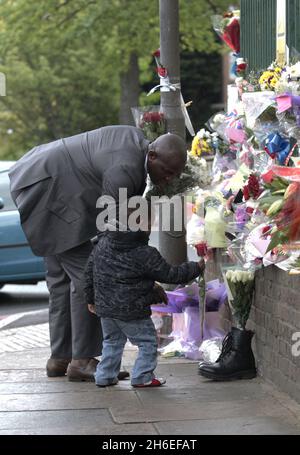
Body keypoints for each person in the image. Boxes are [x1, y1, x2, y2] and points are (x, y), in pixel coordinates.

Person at [8, 125, 187, 381]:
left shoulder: (137, 148)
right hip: (47, 189)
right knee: (93, 278)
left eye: (175, 176)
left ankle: (61, 357)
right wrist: (144, 279)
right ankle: (81, 360)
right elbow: (114, 236)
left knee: (62, 280)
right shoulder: (125, 169)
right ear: (153, 156)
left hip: (42, 177)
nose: (169, 179)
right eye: (167, 172)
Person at [84, 201, 205, 388]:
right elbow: (170, 274)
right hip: (132, 310)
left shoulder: (103, 243)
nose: (151, 228)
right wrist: (196, 267)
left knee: (112, 341)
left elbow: (89, 273)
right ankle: (142, 377)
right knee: (147, 342)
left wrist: (90, 299)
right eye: (150, 223)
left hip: (105, 308)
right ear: (140, 223)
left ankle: (105, 376)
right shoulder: (144, 252)